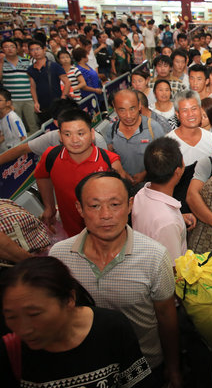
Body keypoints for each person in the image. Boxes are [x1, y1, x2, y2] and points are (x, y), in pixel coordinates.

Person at [50, 171, 181, 387]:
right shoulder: (60, 256)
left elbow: (167, 318)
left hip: (146, 367)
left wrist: (173, 368)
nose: (106, 215)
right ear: (79, 209)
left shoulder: (154, 256)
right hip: (86, 370)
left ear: (130, 206)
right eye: (94, 206)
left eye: (114, 204)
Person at [0, 256, 153, 388]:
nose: (24, 329)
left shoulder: (111, 327)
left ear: (69, 299)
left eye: (34, 314)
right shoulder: (10, 350)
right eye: (12, 317)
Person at [34, 109, 124, 237]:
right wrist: (49, 206)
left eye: (81, 133)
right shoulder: (51, 156)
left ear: (92, 134)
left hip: (105, 233)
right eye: (67, 134)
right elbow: (42, 176)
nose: (75, 140)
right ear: (60, 136)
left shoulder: (109, 161)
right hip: (70, 233)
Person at [132, 137, 197, 267]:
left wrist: (179, 217)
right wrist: (174, 221)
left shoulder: (141, 194)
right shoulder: (168, 222)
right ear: (178, 171)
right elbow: (172, 269)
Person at [106, 89, 166, 186]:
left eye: (132, 109)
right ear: (115, 108)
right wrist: (121, 172)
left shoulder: (154, 128)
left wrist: (146, 172)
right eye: (122, 110)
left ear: (139, 106)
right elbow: (110, 157)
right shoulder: (111, 130)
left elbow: (164, 158)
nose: (128, 115)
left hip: (150, 186)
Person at [166, 90, 212, 166]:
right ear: (177, 114)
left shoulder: (211, 139)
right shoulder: (168, 143)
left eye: (194, 109)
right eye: (185, 110)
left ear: (200, 110)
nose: (190, 114)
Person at [27, 40, 70, 123]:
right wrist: (36, 102)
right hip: (42, 106)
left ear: (44, 49)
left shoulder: (54, 66)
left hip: (57, 104)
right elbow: (33, 87)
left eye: (38, 49)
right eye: (32, 50)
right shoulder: (30, 69)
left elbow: (67, 82)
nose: (35, 52)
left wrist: (62, 99)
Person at [0, 39, 37, 133]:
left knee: (33, 124)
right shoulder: (1, 63)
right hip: (12, 101)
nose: (10, 49)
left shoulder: (26, 61)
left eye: (12, 46)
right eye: (6, 47)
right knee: (15, 126)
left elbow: (32, 79)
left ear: (17, 49)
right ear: (2, 49)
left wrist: (35, 99)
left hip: (28, 97)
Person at [0, 88, 27, 153]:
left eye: (0, 100)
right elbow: (3, 135)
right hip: (6, 150)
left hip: (15, 151)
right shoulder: (2, 117)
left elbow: (23, 137)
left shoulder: (13, 118)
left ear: (8, 103)